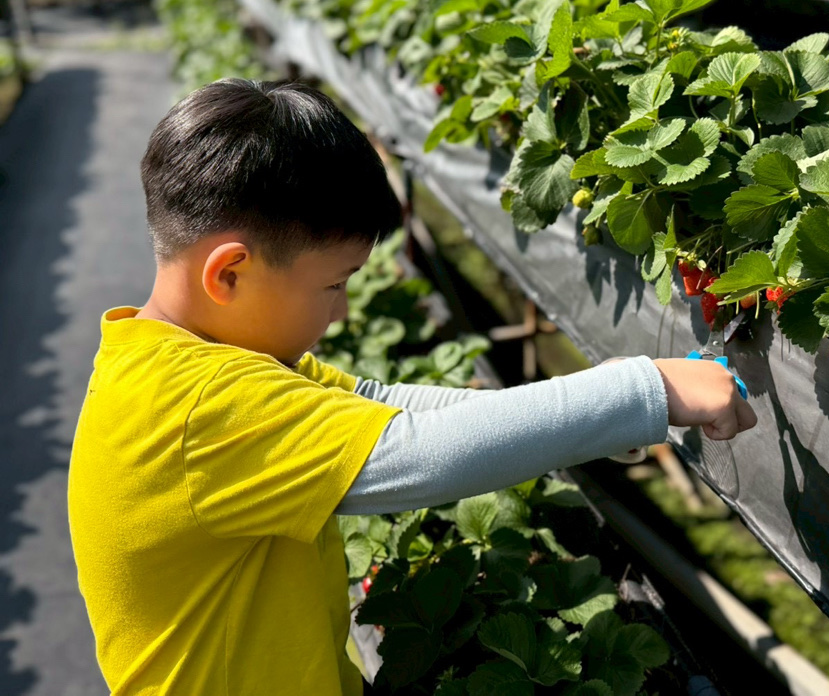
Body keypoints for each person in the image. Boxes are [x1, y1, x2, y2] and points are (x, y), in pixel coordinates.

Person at [68, 78, 757, 695]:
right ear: (229, 273)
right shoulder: (193, 408)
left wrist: (600, 401)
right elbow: (417, 453)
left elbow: (382, 408)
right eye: (333, 286)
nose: (341, 312)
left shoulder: (183, 361)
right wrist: (644, 391)